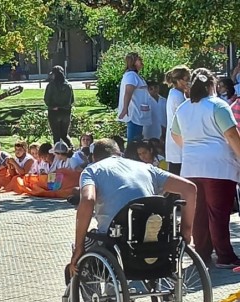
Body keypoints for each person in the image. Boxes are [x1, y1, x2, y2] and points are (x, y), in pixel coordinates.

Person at [67, 138, 197, 278]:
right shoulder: (145, 167)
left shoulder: (92, 170)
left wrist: (79, 244)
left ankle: (98, 285)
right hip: (157, 233)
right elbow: (190, 189)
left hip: (117, 236)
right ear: (120, 153)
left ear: (94, 157)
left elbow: (88, 200)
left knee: (87, 241)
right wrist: (186, 232)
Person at [171, 68, 240, 268]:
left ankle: (201, 254)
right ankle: (225, 256)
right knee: (218, 213)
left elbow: (176, 136)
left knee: (199, 212)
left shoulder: (183, 109)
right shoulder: (218, 106)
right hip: (218, 167)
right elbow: (231, 135)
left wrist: (192, 148)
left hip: (191, 166)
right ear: (212, 85)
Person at [117, 52, 152, 143]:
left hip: (139, 114)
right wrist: (125, 108)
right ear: (133, 62)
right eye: (139, 59)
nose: (141, 61)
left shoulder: (136, 76)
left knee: (138, 141)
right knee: (134, 142)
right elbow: (128, 92)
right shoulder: (131, 76)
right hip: (134, 114)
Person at [164, 65, 191, 175]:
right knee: (177, 170)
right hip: (177, 137)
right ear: (179, 81)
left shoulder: (177, 93)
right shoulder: (177, 95)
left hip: (176, 137)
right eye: (186, 79)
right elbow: (184, 115)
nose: (188, 82)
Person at [44, 65, 74, 148]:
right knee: (64, 135)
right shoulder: (68, 85)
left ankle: (58, 153)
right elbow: (72, 100)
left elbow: (47, 100)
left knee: (56, 135)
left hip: (54, 112)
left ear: (54, 75)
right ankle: (71, 149)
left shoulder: (51, 85)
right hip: (66, 113)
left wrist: (52, 106)